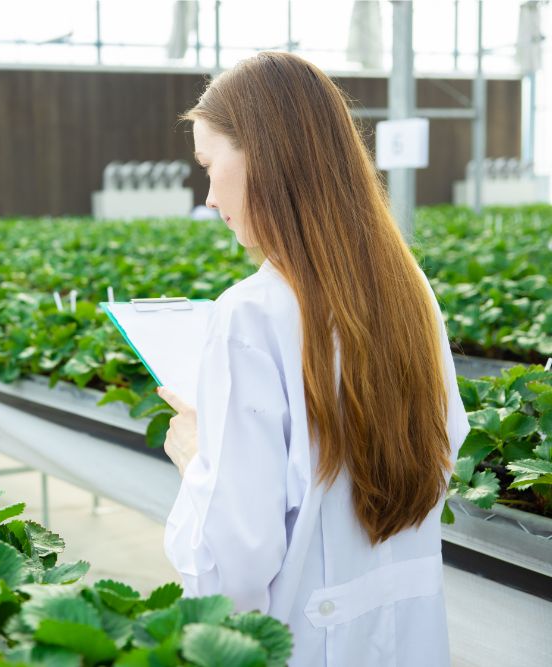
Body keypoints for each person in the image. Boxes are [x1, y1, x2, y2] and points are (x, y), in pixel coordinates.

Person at [156, 52, 470, 667]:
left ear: (265, 158)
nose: (210, 191)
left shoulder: (250, 315)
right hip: (413, 638)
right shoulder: (410, 290)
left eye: (209, 164)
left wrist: (200, 463)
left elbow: (234, 570)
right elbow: (444, 448)